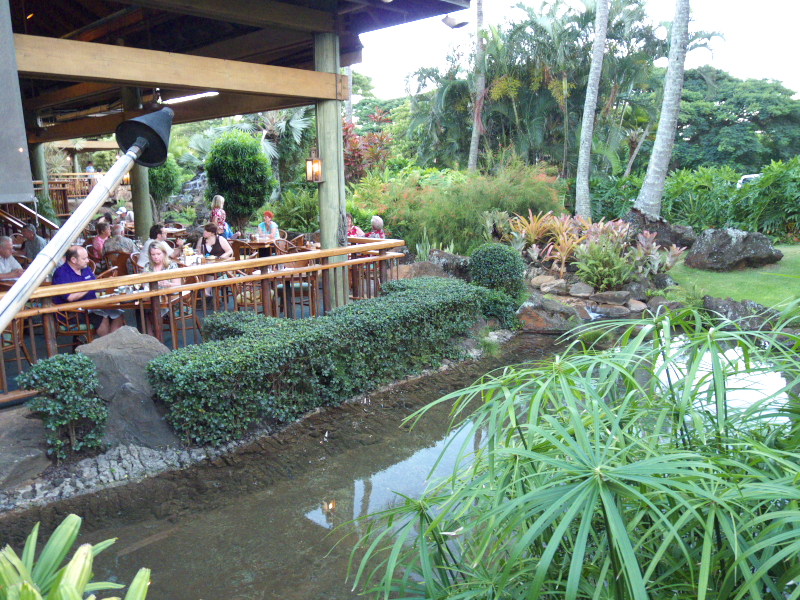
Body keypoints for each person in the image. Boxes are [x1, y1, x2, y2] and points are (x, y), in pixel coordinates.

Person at [52, 245, 124, 338]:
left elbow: (95, 286)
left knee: (117, 313)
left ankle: (113, 342)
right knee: (102, 317)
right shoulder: (61, 273)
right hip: (71, 313)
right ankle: (107, 344)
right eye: (84, 258)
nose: (87, 261)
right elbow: (70, 297)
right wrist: (90, 287)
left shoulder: (85, 269)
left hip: (91, 307)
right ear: (73, 260)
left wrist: (106, 284)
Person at [143, 241, 182, 337]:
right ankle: (151, 336)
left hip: (170, 299)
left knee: (152, 310)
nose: (156, 257)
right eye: (153, 254)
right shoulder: (148, 266)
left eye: (158, 254)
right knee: (142, 309)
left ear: (164, 253)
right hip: (152, 298)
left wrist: (168, 284)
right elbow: (144, 284)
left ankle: (156, 336)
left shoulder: (171, 265)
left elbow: (178, 285)